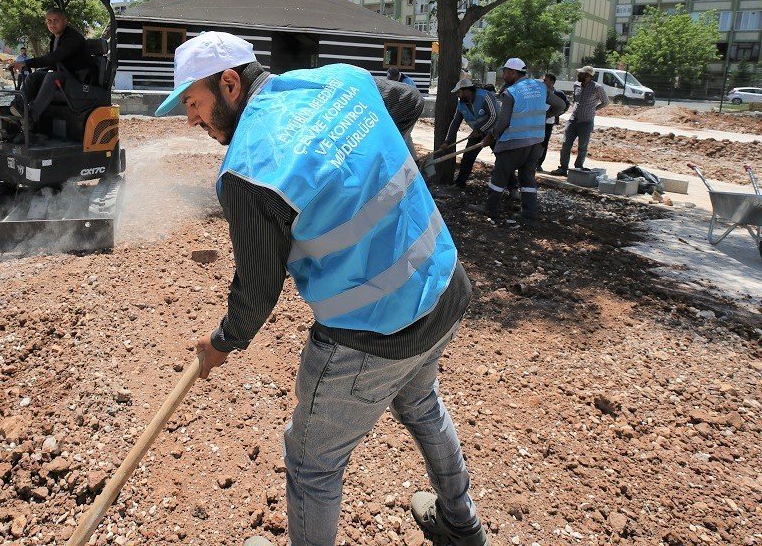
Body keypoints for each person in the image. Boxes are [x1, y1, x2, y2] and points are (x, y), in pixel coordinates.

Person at [157, 31, 489, 546]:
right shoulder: (340, 80)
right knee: (421, 403)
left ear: (228, 84)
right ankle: (463, 527)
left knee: (312, 464)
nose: (191, 119)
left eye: (194, 103)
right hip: (443, 286)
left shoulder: (247, 172)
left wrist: (221, 342)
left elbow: (258, 289)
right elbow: (406, 100)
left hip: (370, 334)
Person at [484, 58, 567, 229]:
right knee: (528, 179)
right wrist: (546, 116)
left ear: (514, 72)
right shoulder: (540, 87)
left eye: (505, 72)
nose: (503, 75)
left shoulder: (511, 92)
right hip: (536, 142)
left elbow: (503, 121)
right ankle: (528, 215)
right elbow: (560, 105)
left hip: (514, 142)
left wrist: (492, 136)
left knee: (499, 176)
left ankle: (490, 211)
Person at [12, 8, 97, 122]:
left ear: (65, 21)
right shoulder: (55, 37)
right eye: (49, 21)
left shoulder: (72, 38)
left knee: (52, 77)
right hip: (65, 75)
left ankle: (32, 116)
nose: (52, 24)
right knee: (34, 76)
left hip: (79, 80)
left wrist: (26, 62)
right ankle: (16, 108)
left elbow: (53, 58)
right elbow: (54, 63)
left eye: (56, 21)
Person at [549, 65, 609, 176]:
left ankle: (578, 169)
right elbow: (575, 100)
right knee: (566, 144)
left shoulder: (597, 87)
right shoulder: (576, 85)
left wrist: (594, 109)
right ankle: (563, 168)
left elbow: (605, 101)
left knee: (582, 147)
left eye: (581, 73)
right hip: (573, 120)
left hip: (586, 122)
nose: (578, 75)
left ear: (588, 76)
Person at [439, 76, 498, 189]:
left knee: (502, 159)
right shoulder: (462, 105)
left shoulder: (484, 96)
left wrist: (480, 130)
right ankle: (459, 184)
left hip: (494, 132)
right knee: (467, 158)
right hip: (478, 133)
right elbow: (455, 123)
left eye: (459, 93)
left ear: (466, 90)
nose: (458, 96)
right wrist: (447, 141)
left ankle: (513, 188)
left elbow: (494, 116)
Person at [537, 73, 570, 171]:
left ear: (551, 82)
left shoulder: (559, 94)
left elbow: (566, 105)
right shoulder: (539, 92)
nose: (543, 82)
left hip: (548, 123)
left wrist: (557, 114)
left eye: (545, 80)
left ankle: (539, 164)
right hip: (538, 121)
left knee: (544, 143)